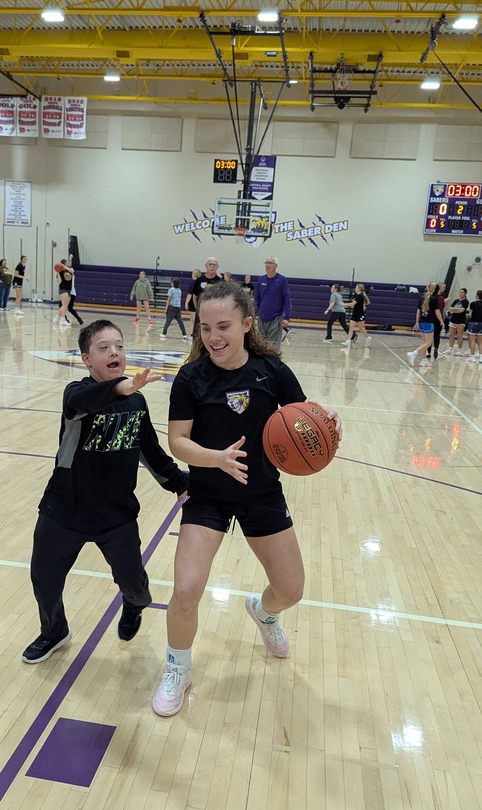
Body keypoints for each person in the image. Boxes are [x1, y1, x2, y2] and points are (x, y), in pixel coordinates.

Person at [151, 281, 342, 716]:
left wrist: (329, 421)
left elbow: (305, 420)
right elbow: (177, 442)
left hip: (261, 493)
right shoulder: (191, 377)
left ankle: (264, 612)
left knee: (291, 590)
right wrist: (215, 459)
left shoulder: (271, 372)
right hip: (207, 495)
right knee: (185, 591)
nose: (213, 337)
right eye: (205, 327)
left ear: (247, 324)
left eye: (223, 326)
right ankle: (177, 667)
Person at [22, 319, 189, 664]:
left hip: (116, 515)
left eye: (119, 346)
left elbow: (151, 452)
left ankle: (134, 606)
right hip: (63, 511)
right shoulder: (76, 395)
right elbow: (89, 398)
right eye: (103, 348)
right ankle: (55, 632)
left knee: (135, 586)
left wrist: (180, 483)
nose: (114, 352)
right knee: (44, 581)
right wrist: (119, 389)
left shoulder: (136, 404)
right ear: (86, 359)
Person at [253, 256, 292, 349]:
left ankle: (273, 363)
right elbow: (257, 300)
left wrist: (286, 317)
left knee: (272, 346)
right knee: (261, 344)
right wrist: (253, 313)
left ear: (276, 266)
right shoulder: (261, 279)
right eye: (266, 263)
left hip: (276, 317)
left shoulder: (282, 280)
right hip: (262, 317)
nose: (267, 265)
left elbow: (287, 299)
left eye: (270, 263)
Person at [406, 281, 445, 367]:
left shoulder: (422, 298)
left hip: (422, 321)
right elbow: (437, 312)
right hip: (429, 322)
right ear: (434, 289)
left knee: (424, 342)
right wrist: (442, 321)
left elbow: (418, 311)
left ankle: (423, 360)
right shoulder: (434, 299)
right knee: (429, 342)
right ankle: (413, 354)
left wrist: (417, 322)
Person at [191, 257, 222, 334]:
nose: (212, 266)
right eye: (210, 264)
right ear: (206, 266)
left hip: (215, 314)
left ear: (217, 267)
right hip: (201, 313)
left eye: (214, 265)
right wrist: (198, 309)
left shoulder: (220, 282)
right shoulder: (199, 280)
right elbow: (195, 296)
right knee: (198, 334)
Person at [442, 288, 469, 356]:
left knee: (459, 336)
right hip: (453, 320)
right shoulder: (456, 301)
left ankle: (460, 350)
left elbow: (461, 310)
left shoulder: (466, 302)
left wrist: (455, 310)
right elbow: (450, 309)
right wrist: (456, 309)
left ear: (465, 293)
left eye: (462, 292)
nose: (460, 293)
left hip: (461, 321)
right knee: (451, 335)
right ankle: (450, 348)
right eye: (460, 292)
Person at [160, 277, 187, 342]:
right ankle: (184, 334)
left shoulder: (171, 290)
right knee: (180, 321)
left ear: (173, 283)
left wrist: (166, 308)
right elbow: (179, 299)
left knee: (168, 321)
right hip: (178, 307)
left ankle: (164, 333)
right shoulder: (179, 290)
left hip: (172, 307)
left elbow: (169, 299)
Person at [65, 254, 83, 326]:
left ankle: (65, 320)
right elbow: (69, 267)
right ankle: (79, 319)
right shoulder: (73, 274)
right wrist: (70, 259)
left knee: (62, 307)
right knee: (70, 308)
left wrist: (70, 259)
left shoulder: (67, 275)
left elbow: (68, 267)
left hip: (68, 293)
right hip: (73, 293)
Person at [466, 289, 482, 364]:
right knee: (480, 342)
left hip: (474, 323)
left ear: (477, 296)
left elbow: (470, 313)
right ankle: (481, 357)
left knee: (472, 341)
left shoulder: (473, 303)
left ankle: (472, 357)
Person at [54, 261, 72, 328]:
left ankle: (57, 318)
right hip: (63, 289)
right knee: (64, 305)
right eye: (66, 263)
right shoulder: (60, 272)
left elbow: (72, 271)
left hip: (69, 289)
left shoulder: (69, 269)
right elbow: (59, 281)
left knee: (65, 305)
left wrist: (65, 267)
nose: (67, 264)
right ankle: (62, 320)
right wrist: (58, 271)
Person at [184, 268, 201, 341]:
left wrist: (186, 302)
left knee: (193, 320)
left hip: (193, 303)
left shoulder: (193, 282)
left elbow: (190, 293)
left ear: (194, 274)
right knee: (196, 319)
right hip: (199, 302)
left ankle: (193, 334)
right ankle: (194, 334)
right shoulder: (200, 282)